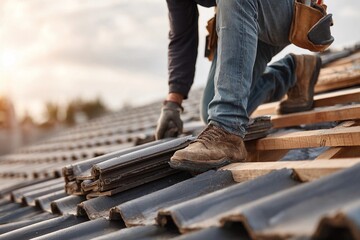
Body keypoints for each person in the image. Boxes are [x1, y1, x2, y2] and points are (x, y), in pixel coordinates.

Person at [156, 0, 322, 172]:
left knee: (224, 115)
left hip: (284, 10)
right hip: (245, 19)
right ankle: (293, 71)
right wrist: (173, 103)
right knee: (210, 111)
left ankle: (228, 132)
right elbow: (182, 36)